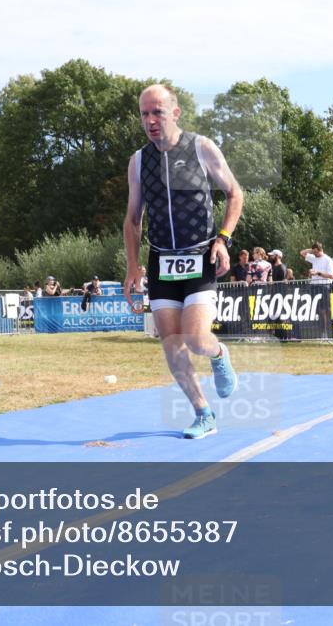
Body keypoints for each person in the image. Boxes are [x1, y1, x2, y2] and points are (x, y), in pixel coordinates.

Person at [122, 83, 243, 440]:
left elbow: (235, 192)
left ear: (174, 112)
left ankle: (219, 355)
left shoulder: (201, 148)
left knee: (195, 337)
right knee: (171, 344)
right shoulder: (139, 161)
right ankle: (203, 413)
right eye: (144, 114)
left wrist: (223, 239)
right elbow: (132, 219)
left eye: (157, 112)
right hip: (161, 262)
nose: (150, 120)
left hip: (200, 255)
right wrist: (132, 265)